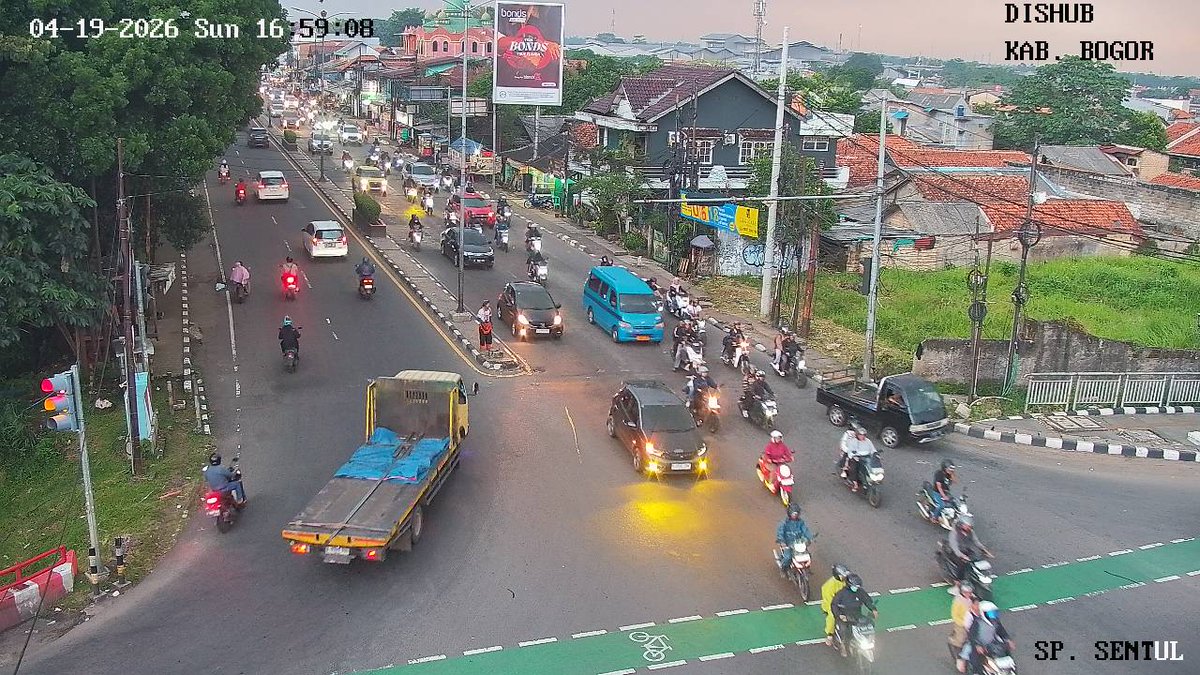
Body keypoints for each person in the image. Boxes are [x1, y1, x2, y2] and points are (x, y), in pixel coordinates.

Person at [960, 601, 1014, 674]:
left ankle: (1010, 668)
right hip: (980, 644)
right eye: (991, 614)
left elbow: (1001, 631)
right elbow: (971, 636)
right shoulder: (977, 623)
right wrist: (977, 645)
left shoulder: (996, 622)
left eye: (994, 613)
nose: (993, 616)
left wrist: (1008, 639)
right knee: (975, 660)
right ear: (983, 613)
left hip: (992, 643)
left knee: (1006, 651)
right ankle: (976, 672)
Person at [831, 574, 878, 657]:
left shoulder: (860, 592)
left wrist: (873, 609)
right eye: (855, 586)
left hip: (857, 615)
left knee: (869, 624)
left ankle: (868, 640)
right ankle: (842, 646)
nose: (856, 588)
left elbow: (867, 601)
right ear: (849, 585)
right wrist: (839, 615)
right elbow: (834, 605)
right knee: (844, 630)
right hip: (845, 616)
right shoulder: (841, 594)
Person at [948, 515, 992, 589]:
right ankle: (957, 579)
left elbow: (976, 542)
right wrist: (962, 556)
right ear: (961, 524)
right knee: (962, 564)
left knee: (977, 559)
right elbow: (954, 547)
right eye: (967, 526)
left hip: (966, 550)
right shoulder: (954, 533)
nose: (969, 527)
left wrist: (984, 550)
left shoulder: (971, 532)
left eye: (969, 526)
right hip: (956, 552)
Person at [775, 502, 813, 575]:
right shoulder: (784, 523)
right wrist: (782, 541)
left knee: (808, 556)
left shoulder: (801, 522)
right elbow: (780, 532)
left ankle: (807, 568)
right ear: (790, 513)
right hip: (788, 544)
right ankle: (783, 569)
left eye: (796, 513)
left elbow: (805, 530)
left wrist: (810, 538)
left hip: (799, 543)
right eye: (794, 513)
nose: (795, 515)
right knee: (788, 557)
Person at [838, 423, 876, 492]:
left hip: (864, 456)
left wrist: (875, 454)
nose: (862, 436)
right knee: (853, 468)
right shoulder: (849, 437)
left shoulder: (867, 441)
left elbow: (872, 449)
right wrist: (852, 454)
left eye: (863, 435)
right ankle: (855, 484)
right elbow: (846, 446)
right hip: (854, 456)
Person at [821, 564, 850, 646]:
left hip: (844, 603)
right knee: (832, 617)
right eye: (842, 576)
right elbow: (831, 602)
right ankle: (829, 635)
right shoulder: (830, 586)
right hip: (832, 604)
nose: (844, 577)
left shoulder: (846, 582)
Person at [949, 582, 975, 661]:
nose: (969, 594)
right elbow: (955, 615)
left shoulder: (972, 598)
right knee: (961, 638)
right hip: (961, 623)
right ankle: (956, 649)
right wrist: (962, 623)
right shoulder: (958, 601)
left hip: (972, 621)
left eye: (970, 592)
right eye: (966, 593)